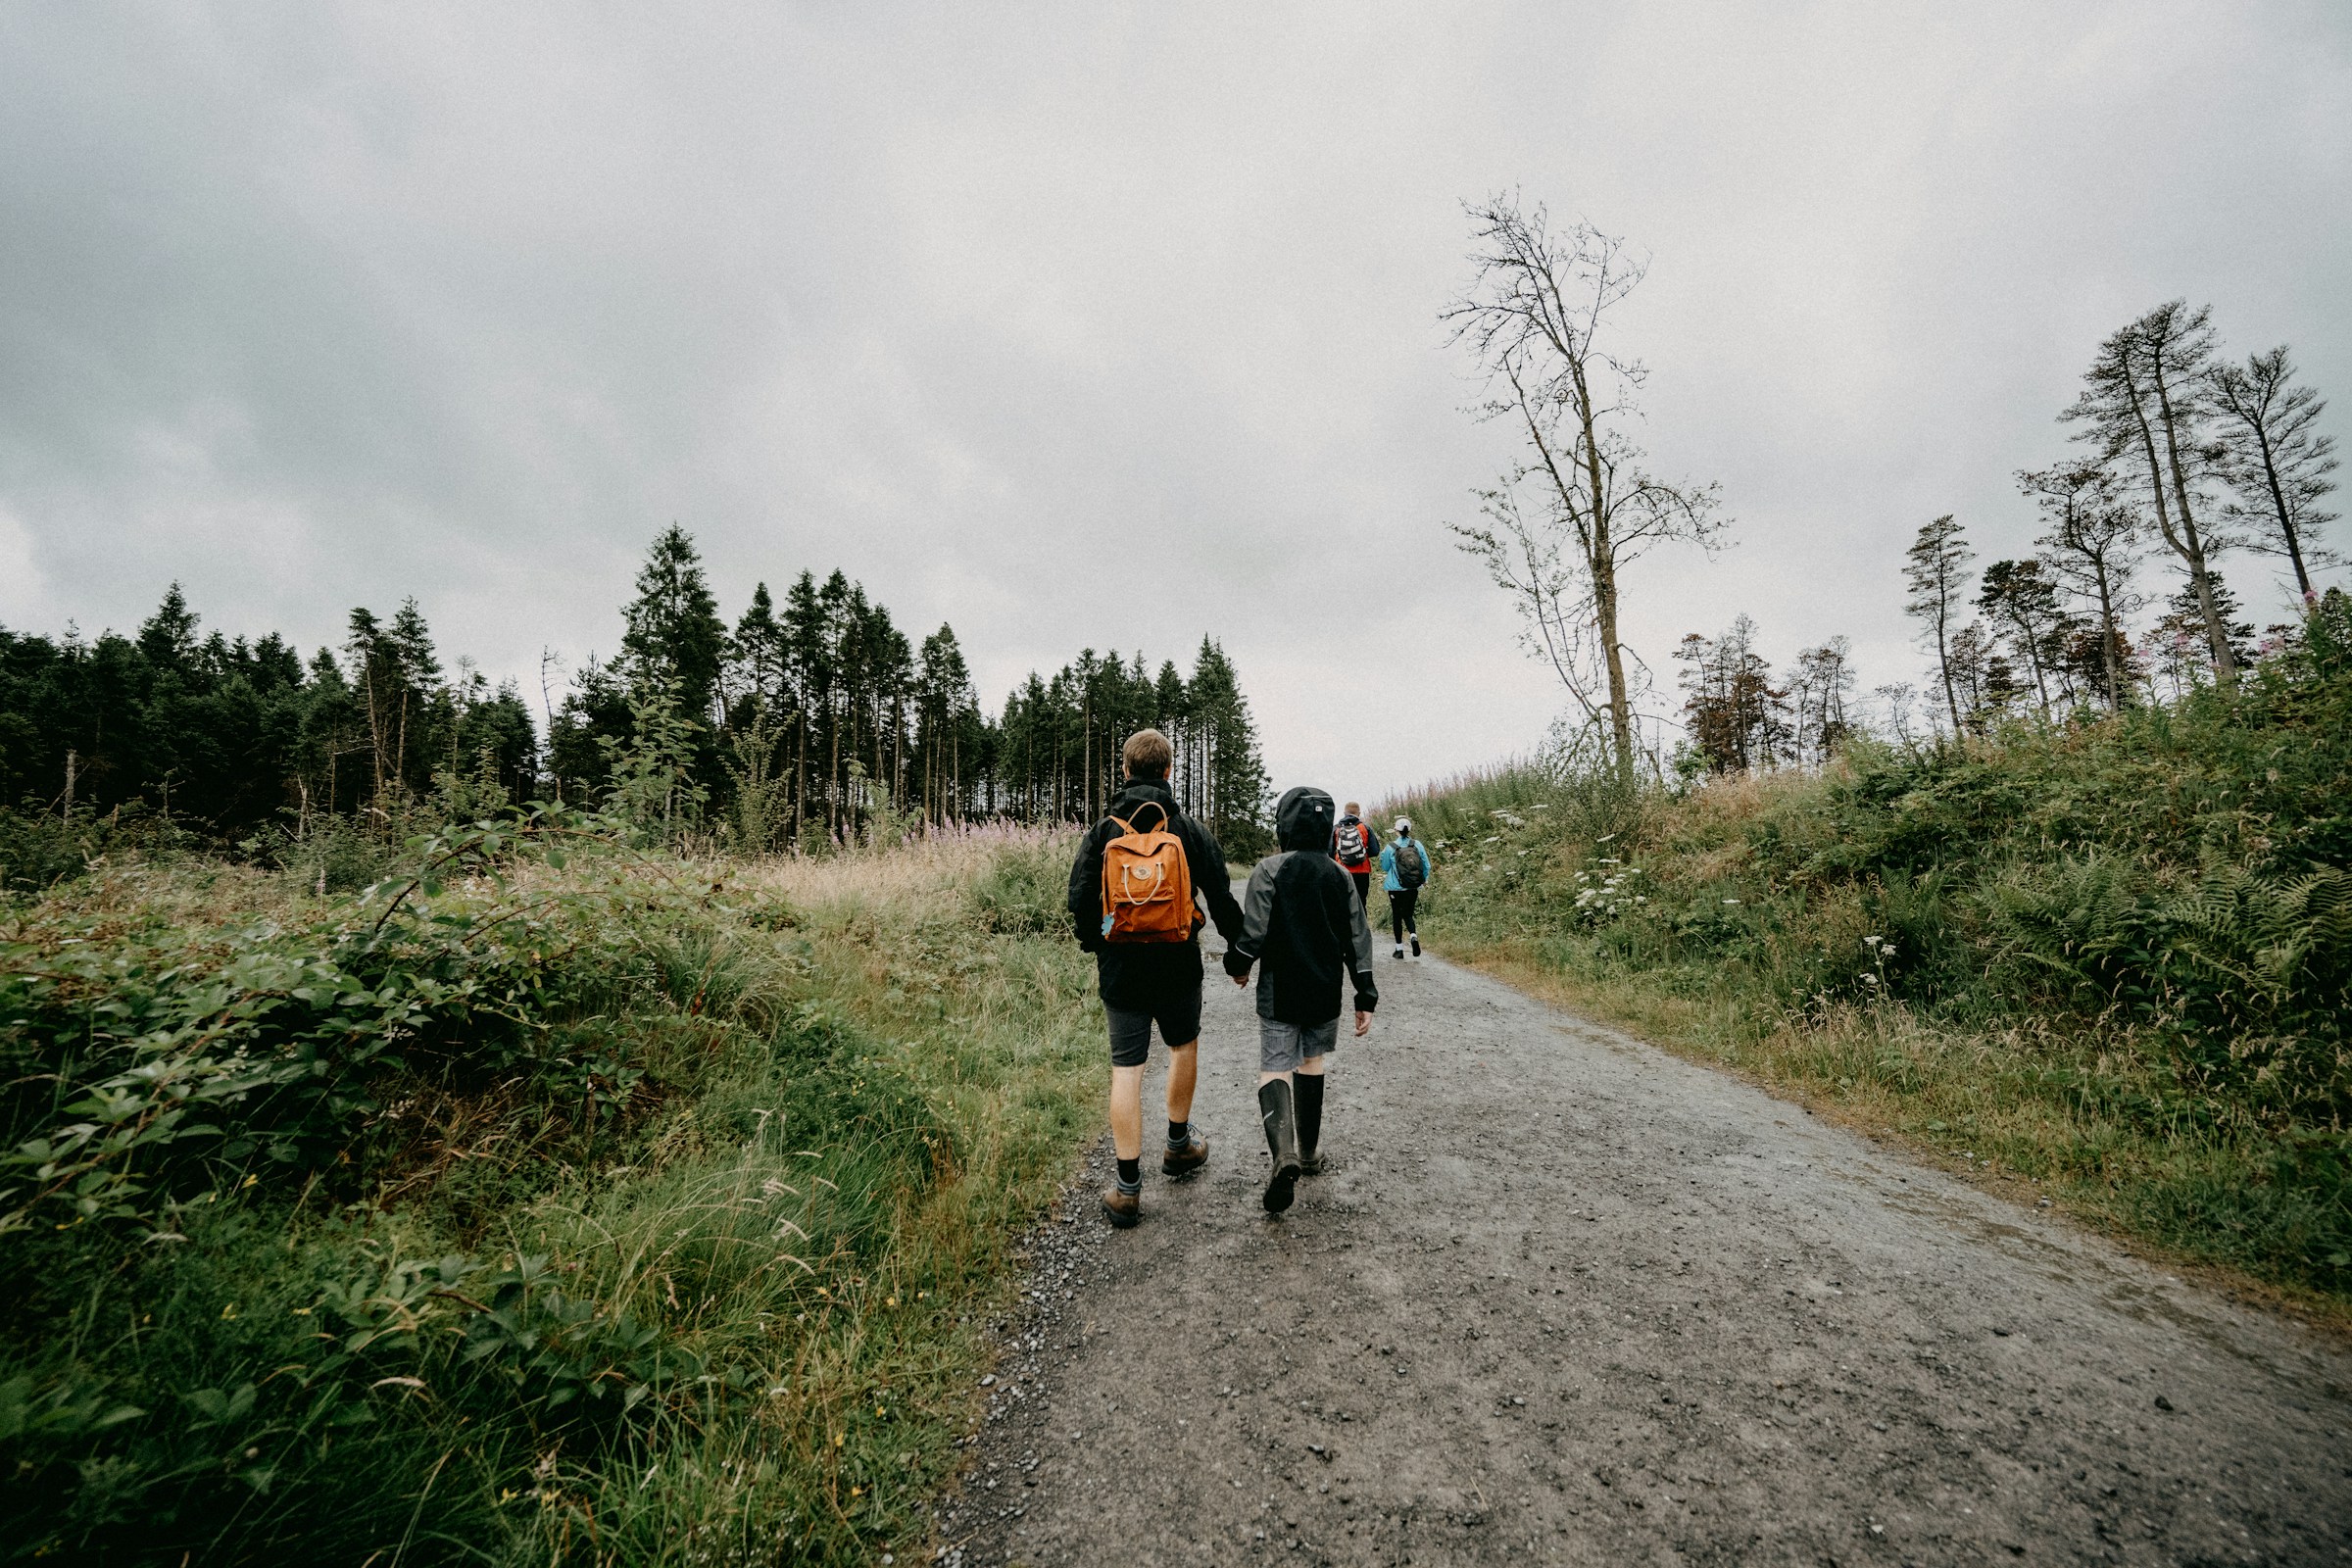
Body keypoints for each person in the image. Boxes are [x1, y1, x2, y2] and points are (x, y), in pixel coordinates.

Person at [1067, 728, 1245, 1229]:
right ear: (1168, 771)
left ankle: (1127, 1189)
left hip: (1121, 966)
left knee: (1127, 1069)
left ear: (1125, 771)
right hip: (1177, 961)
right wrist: (1239, 952)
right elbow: (1221, 895)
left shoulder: (1104, 831)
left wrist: (1098, 942)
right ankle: (1178, 1145)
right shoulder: (1187, 829)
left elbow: (1079, 899)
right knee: (1182, 1047)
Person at [1223, 786, 1378, 1211]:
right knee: (1311, 1062)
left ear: (1284, 825)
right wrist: (1365, 994)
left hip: (1280, 990)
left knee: (1275, 1066)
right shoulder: (1340, 875)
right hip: (1325, 990)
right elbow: (1358, 939)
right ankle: (1308, 1154)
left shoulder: (1269, 870)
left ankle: (1283, 1156)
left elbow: (1253, 933)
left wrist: (1238, 966)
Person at [1378, 815, 1434, 959]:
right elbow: (1426, 865)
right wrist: (1423, 880)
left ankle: (1399, 950)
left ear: (1395, 830)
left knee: (1397, 915)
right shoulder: (1417, 844)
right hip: (1413, 886)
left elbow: (1385, 867)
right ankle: (1413, 935)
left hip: (1395, 887)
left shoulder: (1390, 847)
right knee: (1408, 914)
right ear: (1409, 830)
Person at [1332, 802, 1381, 913]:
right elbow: (1375, 851)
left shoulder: (1336, 829)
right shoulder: (1365, 828)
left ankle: (1346, 923)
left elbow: (1330, 852)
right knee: (1361, 901)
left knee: (1344, 902)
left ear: (1344, 813)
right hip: (1362, 871)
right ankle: (1362, 923)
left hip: (1342, 870)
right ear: (1359, 813)